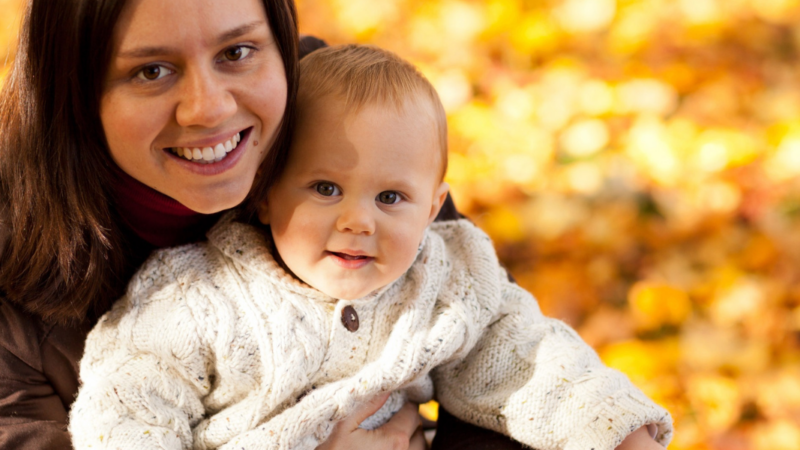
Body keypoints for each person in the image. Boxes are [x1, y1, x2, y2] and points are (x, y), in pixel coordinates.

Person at [69, 44, 674, 450]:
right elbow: (125, 420)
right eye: (326, 189)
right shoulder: (193, 299)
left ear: (434, 207)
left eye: (391, 198)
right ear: (263, 194)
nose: (359, 221)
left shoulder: (444, 280)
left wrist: (613, 429)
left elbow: (526, 359)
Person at [0, 0, 433, 448]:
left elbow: (506, 368)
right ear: (74, 90)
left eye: (236, 53)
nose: (210, 108)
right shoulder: (12, 310)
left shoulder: (344, 120)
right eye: (152, 71)